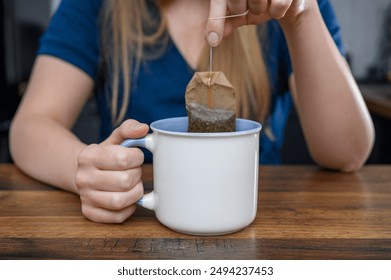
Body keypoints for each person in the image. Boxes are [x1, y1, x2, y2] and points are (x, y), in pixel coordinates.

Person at [9, 0, 374, 223]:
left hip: (260, 228)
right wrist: (82, 168)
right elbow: (31, 125)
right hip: (140, 227)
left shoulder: (288, 5)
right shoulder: (97, 5)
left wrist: (301, 14)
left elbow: (347, 153)